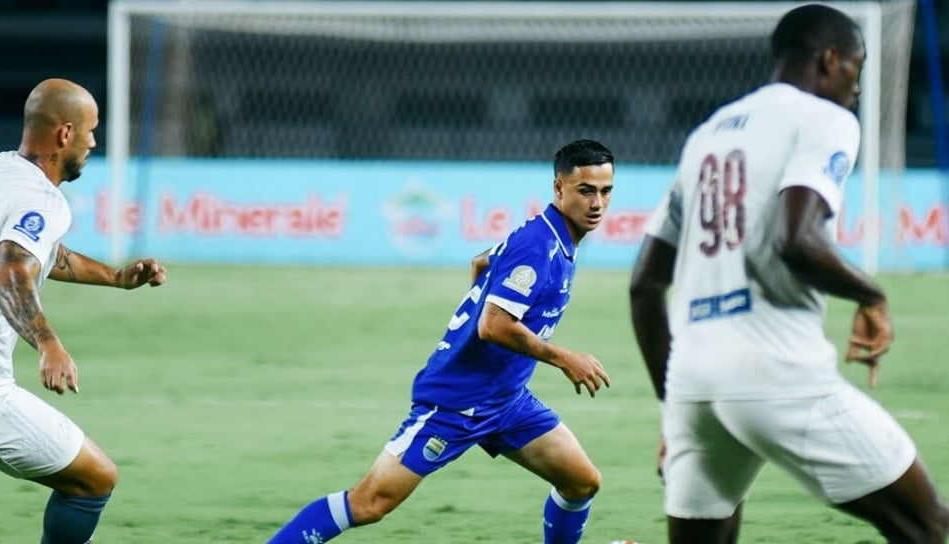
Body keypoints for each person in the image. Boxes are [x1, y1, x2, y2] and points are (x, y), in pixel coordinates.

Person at [629, 4, 949, 543]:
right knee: (928, 524)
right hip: (774, 368)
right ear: (829, 60)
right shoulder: (824, 120)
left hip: (691, 380)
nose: (857, 86)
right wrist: (871, 296)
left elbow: (643, 285)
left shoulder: (706, 135)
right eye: (855, 68)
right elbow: (795, 240)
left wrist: (676, 408)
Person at [269, 139, 615, 544]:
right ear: (559, 188)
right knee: (368, 504)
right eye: (585, 190)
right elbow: (493, 326)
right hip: (457, 401)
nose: (597, 203)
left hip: (506, 400)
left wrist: (476, 322)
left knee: (581, 482)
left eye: (605, 191)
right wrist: (564, 358)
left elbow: (482, 261)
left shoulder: (554, 238)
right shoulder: (540, 245)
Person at [0, 79, 168, 544]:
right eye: (91, 130)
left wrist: (115, 277)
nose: (94, 142)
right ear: (66, 134)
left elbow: (40, 253)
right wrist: (49, 345)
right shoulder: (42, 199)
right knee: (94, 478)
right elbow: (12, 272)